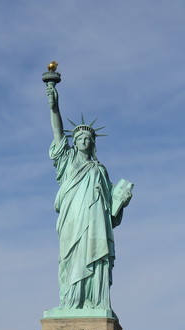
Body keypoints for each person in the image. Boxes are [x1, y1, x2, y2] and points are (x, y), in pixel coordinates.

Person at [45, 80, 132, 314]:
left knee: (94, 255)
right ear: (74, 142)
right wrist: (54, 106)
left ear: (92, 143)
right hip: (73, 218)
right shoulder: (67, 160)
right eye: (79, 138)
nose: (83, 141)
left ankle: (95, 301)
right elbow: (57, 131)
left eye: (87, 139)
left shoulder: (99, 170)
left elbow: (109, 208)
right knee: (71, 258)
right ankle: (71, 302)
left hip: (95, 222)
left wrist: (120, 201)